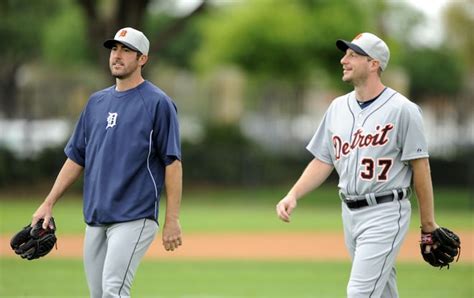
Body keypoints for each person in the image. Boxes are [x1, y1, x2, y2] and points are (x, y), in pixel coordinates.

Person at [276, 32, 440, 297]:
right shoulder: (338, 107)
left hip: (386, 211)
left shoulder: (403, 110)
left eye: (353, 55)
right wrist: (293, 194)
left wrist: (428, 226)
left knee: (360, 292)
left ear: (374, 64)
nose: (344, 60)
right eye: (345, 54)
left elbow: (421, 168)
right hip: (349, 213)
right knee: (382, 291)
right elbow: (323, 159)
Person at [31, 27, 183, 298]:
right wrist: (48, 202)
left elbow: (172, 163)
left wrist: (172, 219)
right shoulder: (96, 103)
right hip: (96, 215)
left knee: (114, 291)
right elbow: (76, 157)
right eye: (114, 49)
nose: (118, 55)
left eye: (127, 50)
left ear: (142, 59)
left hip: (135, 215)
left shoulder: (158, 103)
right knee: (98, 294)